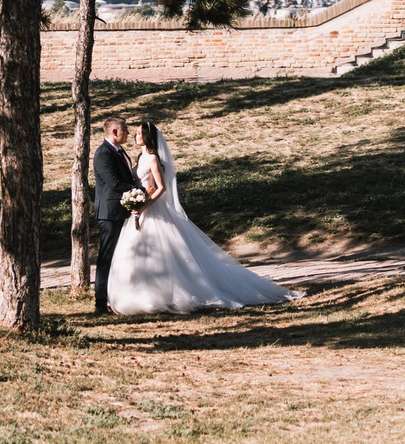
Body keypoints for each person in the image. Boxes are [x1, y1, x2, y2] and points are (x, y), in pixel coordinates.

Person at [105, 118, 294, 315]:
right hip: (139, 211)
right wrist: (136, 199)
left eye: (139, 133)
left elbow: (161, 187)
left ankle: (172, 294)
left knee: (167, 253)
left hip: (152, 210)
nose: (135, 136)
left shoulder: (152, 158)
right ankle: (139, 294)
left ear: (148, 137)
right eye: (134, 133)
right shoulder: (138, 158)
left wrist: (145, 204)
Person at [88, 117, 144, 316]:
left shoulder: (118, 152)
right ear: (114, 132)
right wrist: (140, 189)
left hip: (121, 210)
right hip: (110, 213)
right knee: (107, 257)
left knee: (120, 256)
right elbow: (114, 183)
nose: (127, 134)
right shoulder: (103, 154)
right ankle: (100, 302)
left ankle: (116, 297)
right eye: (125, 131)